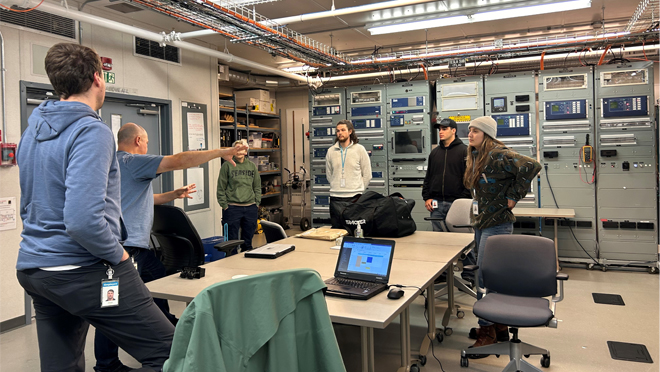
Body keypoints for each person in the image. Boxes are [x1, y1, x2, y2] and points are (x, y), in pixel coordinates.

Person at [15, 43, 173, 372]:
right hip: (83, 268)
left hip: (36, 268)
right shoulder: (92, 131)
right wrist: (121, 256)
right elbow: (83, 221)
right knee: (175, 354)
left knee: (62, 366)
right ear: (98, 78)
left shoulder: (32, 133)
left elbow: (32, 203)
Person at [93, 123, 248, 372]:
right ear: (138, 141)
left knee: (157, 283)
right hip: (128, 249)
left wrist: (173, 194)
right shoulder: (134, 161)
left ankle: (168, 329)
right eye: (146, 142)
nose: (147, 146)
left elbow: (140, 197)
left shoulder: (112, 164)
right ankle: (107, 364)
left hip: (126, 248)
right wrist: (220, 152)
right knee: (113, 306)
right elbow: (179, 160)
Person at [463, 116, 542, 356]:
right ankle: (498, 327)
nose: (470, 134)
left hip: (497, 223)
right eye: (469, 131)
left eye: (475, 131)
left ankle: (486, 331)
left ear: (486, 134)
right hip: (482, 221)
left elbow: (531, 166)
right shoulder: (476, 156)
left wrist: (514, 196)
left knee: (485, 276)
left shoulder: (498, 153)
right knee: (486, 275)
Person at [422, 118, 471, 231]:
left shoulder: (465, 151)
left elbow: (470, 179)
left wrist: (461, 200)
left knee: (458, 239)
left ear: (453, 130)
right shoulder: (434, 153)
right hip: (436, 205)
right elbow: (428, 177)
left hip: (456, 204)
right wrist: (427, 197)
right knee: (438, 240)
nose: (440, 132)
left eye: (444, 129)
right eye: (439, 129)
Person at [325, 120, 372, 228]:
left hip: (354, 197)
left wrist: (359, 189)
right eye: (337, 131)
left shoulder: (360, 149)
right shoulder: (331, 151)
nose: (339, 133)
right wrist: (336, 185)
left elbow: (367, 174)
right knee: (336, 230)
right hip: (335, 197)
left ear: (350, 131)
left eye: (342, 130)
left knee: (356, 230)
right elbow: (329, 174)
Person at [217, 140, 261, 252]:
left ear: (246, 151)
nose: (239, 151)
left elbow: (257, 186)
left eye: (241, 149)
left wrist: (257, 203)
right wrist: (224, 205)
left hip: (250, 207)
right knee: (231, 243)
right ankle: (231, 265)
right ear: (233, 151)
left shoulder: (251, 166)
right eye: (236, 149)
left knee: (248, 242)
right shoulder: (227, 166)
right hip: (232, 207)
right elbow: (221, 187)